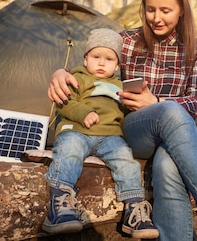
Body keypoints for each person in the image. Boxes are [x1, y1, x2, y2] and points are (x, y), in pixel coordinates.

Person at [48, 0, 197, 240]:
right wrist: (60, 72)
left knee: (168, 163)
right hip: (134, 131)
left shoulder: (196, 49)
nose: (156, 17)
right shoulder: (128, 41)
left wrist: (155, 102)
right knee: (169, 111)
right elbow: (93, 65)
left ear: (181, 11)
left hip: (176, 137)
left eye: (165, 10)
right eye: (150, 9)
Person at [43, 28, 159, 239]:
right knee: (69, 150)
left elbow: (126, 114)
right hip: (78, 131)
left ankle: (134, 209)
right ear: (86, 59)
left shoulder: (121, 87)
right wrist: (83, 112)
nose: (101, 63)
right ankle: (60, 203)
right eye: (96, 57)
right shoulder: (77, 77)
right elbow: (64, 102)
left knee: (126, 159)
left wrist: (138, 107)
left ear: (117, 65)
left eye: (109, 59)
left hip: (110, 137)